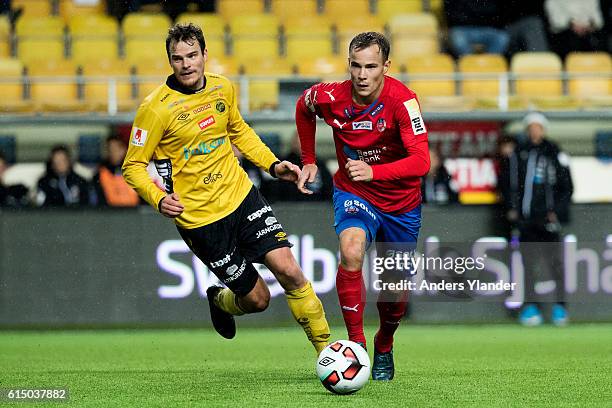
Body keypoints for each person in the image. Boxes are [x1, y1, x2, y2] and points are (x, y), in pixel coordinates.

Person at [122, 23, 330, 354]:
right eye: (178, 58)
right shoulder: (155, 108)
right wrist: (159, 199)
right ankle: (220, 300)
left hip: (241, 197)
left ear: (205, 55)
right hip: (201, 220)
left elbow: (239, 131)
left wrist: (273, 166)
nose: (186, 64)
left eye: (192, 55)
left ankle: (327, 353)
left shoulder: (222, 89)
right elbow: (132, 166)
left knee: (290, 270)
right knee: (258, 299)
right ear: (170, 61)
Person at [295, 32, 430, 380]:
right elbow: (303, 107)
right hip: (356, 193)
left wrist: (374, 171)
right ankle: (357, 348)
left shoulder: (404, 101)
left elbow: (422, 161)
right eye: (355, 65)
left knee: (396, 292)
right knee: (351, 249)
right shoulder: (329, 97)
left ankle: (384, 343)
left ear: (386, 66)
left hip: (401, 204)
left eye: (371, 66)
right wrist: (309, 158)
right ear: (348, 64)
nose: (362, 74)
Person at [498, 112, 573, 326]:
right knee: (528, 266)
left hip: (548, 220)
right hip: (526, 220)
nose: (534, 130)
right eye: (531, 126)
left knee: (555, 265)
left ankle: (560, 307)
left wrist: (556, 211)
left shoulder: (554, 152)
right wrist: (513, 209)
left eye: (538, 126)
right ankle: (532, 307)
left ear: (543, 129)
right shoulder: (518, 153)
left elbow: (567, 187)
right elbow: (508, 184)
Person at [444, 0, 510, 57]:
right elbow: (450, 12)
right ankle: (470, 65)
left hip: (487, 28)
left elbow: (499, 11)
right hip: (462, 28)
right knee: (458, 39)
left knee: (502, 38)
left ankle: (487, 65)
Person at [93, 134, 140, 207]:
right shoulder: (100, 173)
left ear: (125, 149)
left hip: (135, 213)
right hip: (110, 213)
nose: (114, 153)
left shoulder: (136, 170)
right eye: (110, 149)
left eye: (117, 149)